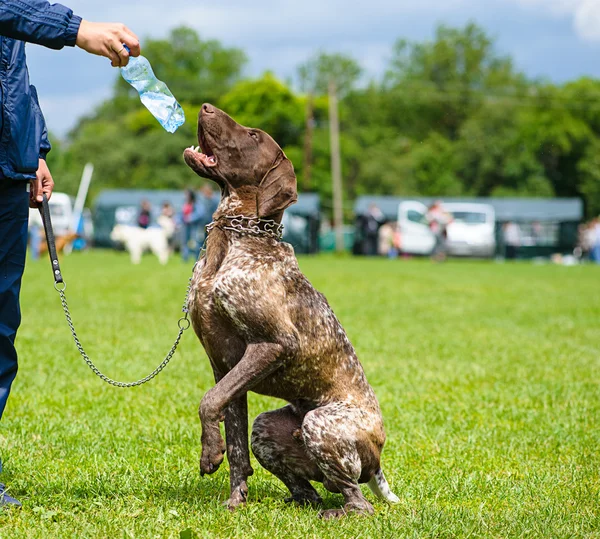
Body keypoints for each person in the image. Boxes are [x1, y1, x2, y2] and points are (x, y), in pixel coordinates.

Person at [0, 0, 141, 508]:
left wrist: (32, 148)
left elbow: (12, 70)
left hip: (9, 175)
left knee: (0, 328)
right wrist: (78, 29)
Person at [180, 189, 204, 262]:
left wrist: (190, 218)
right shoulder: (185, 203)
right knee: (184, 242)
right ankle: (185, 259)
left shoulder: (196, 203)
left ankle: (197, 258)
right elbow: (181, 214)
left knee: (196, 242)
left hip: (194, 226)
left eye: (187, 194)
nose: (185, 196)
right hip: (185, 226)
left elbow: (200, 213)